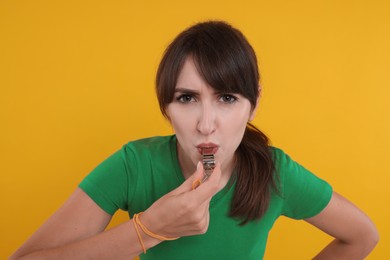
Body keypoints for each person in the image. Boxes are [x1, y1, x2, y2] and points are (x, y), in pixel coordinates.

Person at [10, 20, 378, 260]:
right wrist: (148, 230)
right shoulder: (134, 166)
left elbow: (363, 236)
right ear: (166, 107)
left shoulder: (274, 173)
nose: (206, 125)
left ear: (254, 104)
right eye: (187, 98)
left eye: (227, 98)